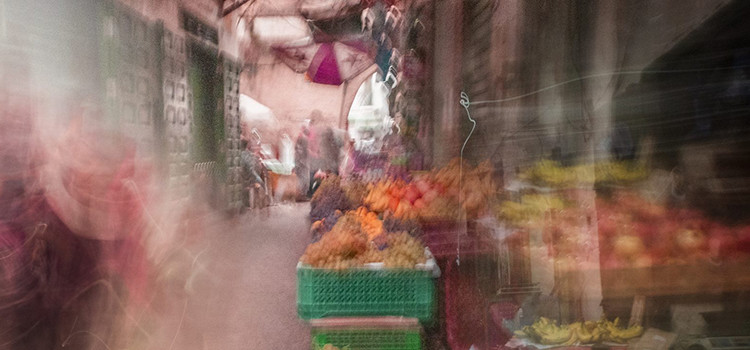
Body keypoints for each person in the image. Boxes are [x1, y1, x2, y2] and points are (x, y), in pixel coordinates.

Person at [294, 126, 310, 200]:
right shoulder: (304, 139)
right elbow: (304, 153)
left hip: (298, 162)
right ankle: (301, 195)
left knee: (300, 179)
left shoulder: (299, 138)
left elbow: (297, 150)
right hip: (302, 163)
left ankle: (299, 195)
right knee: (304, 179)